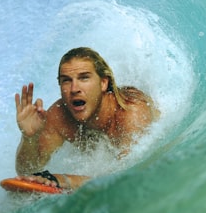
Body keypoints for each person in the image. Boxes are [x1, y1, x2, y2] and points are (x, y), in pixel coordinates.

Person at [13, 47, 158, 191]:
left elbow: (125, 178)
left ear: (103, 83)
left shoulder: (130, 112)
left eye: (84, 78)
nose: (74, 88)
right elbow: (27, 171)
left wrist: (64, 180)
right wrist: (29, 138)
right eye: (66, 81)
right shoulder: (59, 115)